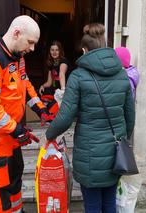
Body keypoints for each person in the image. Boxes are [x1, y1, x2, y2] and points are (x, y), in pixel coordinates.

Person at [45, 23, 135, 213]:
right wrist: (121, 138)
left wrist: (49, 135)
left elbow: (65, 116)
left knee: (92, 205)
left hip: (89, 152)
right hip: (115, 151)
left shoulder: (78, 76)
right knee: (110, 202)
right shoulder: (122, 75)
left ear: (84, 50)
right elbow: (130, 116)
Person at [0, 15, 52, 213]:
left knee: (14, 178)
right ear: (16, 33)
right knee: (0, 187)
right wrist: (15, 129)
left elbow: (25, 85)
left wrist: (40, 108)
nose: (32, 49)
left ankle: (16, 211)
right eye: (30, 42)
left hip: (9, 134)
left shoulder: (17, 56)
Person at [38, 40, 69, 116]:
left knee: (52, 110)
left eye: (57, 50)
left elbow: (61, 75)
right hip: (55, 91)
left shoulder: (63, 62)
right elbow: (49, 82)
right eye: (52, 50)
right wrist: (42, 86)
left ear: (60, 51)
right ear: (49, 51)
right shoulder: (51, 64)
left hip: (65, 91)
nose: (54, 52)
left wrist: (63, 90)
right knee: (42, 95)